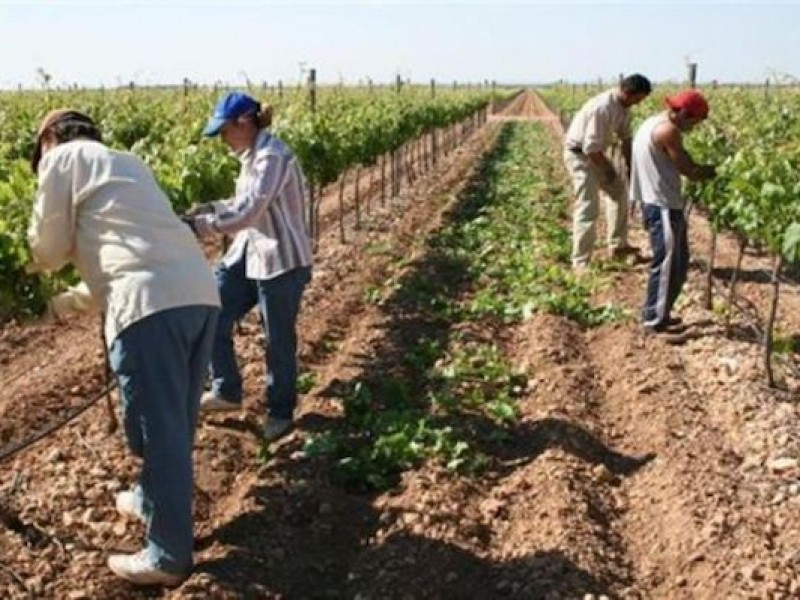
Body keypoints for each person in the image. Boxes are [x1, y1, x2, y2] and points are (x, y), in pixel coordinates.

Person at [27, 109, 220, 586]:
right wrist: (61, 306)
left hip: (149, 307)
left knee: (158, 433)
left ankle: (168, 557)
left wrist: (22, 281)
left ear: (50, 138)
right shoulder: (126, 163)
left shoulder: (61, 159)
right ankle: (152, 498)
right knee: (173, 420)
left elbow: (47, 252)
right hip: (197, 294)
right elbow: (122, 257)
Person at [185, 92, 313, 443]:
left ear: (244, 122)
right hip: (247, 253)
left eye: (224, 131)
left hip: (280, 259)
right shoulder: (250, 156)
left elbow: (249, 213)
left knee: (277, 340)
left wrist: (199, 228)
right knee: (210, 311)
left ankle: (280, 413)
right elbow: (239, 203)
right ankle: (226, 390)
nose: (222, 140)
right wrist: (205, 208)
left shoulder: (272, 156)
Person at [629, 90, 716, 335]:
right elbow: (687, 168)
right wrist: (714, 172)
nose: (695, 127)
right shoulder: (669, 131)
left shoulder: (652, 122)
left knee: (678, 264)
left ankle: (661, 314)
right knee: (666, 263)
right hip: (662, 206)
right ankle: (653, 321)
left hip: (663, 203)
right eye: (695, 121)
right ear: (684, 114)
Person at [564, 73, 652, 270]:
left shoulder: (623, 108)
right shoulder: (602, 108)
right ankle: (580, 263)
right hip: (580, 157)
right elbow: (591, 148)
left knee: (619, 192)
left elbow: (626, 139)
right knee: (588, 207)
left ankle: (618, 247)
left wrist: (631, 167)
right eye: (638, 99)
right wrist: (608, 170)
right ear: (627, 93)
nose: (638, 103)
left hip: (596, 155)